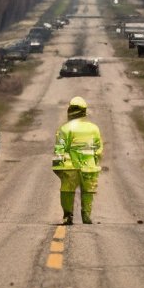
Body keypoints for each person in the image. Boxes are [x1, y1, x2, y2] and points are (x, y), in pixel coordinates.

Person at [52, 96, 103, 225]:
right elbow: (98, 149)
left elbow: (59, 149)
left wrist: (57, 167)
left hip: (70, 167)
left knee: (67, 192)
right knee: (88, 192)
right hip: (89, 166)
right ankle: (86, 215)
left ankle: (68, 215)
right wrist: (95, 162)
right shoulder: (94, 128)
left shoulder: (64, 129)